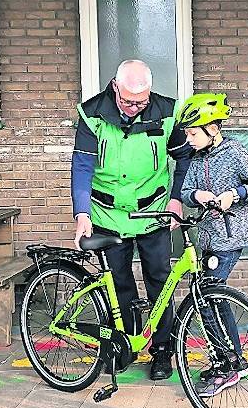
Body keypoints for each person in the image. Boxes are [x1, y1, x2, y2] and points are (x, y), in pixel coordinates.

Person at [71, 60, 192, 381]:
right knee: (119, 282)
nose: (135, 108)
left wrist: (177, 199)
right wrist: (82, 214)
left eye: (142, 101)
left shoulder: (168, 112)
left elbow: (184, 158)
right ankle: (123, 347)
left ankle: (163, 350)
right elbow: (82, 167)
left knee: (161, 282)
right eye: (128, 101)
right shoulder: (92, 114)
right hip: (107, 214)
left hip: (153, 213)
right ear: (115, 87)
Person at [177, 93, 248, 397]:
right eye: (187, 134)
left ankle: (227, 364)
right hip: (207, 234)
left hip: (231, 236)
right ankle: (234, 360)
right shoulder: (196, 158)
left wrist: (236, 193)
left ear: (213, 129)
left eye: (193, 133)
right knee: (212, 296)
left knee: (208, 296)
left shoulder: (235, 153)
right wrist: (198, 197)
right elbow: (185, 190)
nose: (189, 139)